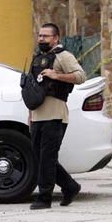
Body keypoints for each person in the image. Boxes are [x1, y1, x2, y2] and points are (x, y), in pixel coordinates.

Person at [28, 23, 86, 210]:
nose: (41, 39)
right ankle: (70, 186)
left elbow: (80, 76)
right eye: (40, 35)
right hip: (37, 115)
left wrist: (56, 75)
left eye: (45, 36)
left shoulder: (64, 56)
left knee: (47, 157)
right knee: (40, 158)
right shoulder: (38, 58)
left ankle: (44, 198)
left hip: (55, 115)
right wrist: (29, 114)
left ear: (56, 38)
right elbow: (32, 87)